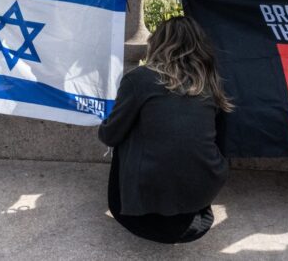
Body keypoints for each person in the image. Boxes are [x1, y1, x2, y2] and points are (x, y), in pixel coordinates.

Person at [99, 16, 232, 244]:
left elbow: (109, 135)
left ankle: (143, 196)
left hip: (137, 218)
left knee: (126, 131)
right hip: (198, 206)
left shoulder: (139, 78)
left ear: (157, 44)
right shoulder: (211, 82)